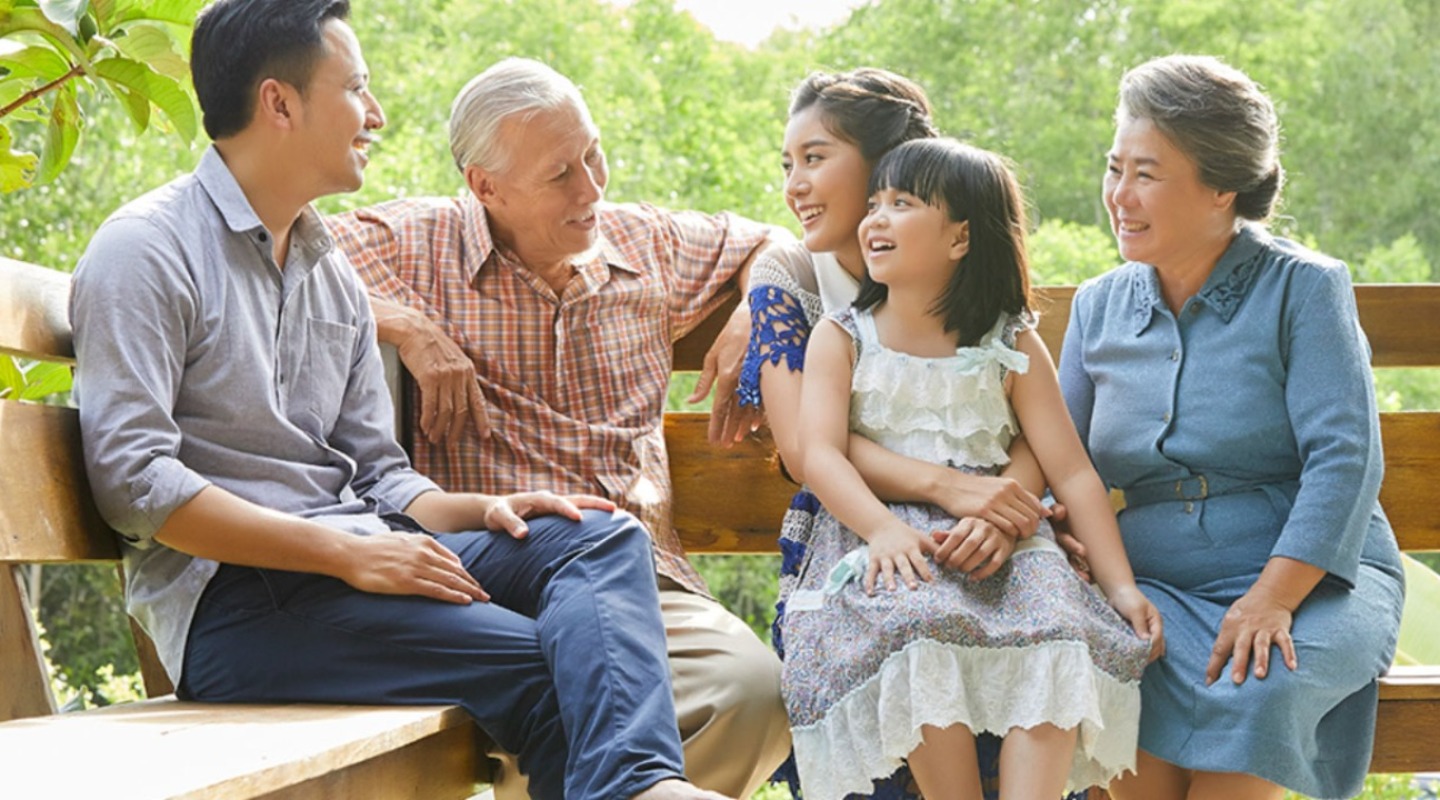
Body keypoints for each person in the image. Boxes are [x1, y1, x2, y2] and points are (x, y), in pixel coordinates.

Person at [69, 4, 732, 799]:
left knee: (595, 534)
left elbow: (379, 477)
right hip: (237, 604)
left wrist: (476, 508)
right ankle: (635, 789)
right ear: (280, 104)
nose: (375, 115)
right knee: (552, 662)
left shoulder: (331, 276)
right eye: (356, 88)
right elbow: (135, 486)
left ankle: (635, 788)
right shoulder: (146, 250)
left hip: (356, 561)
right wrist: (348, 553)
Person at [325, 57, 790, 798]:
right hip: (483, 583)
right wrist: (403, 322)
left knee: (752, 691)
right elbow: (275, 255)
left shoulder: (648, 244)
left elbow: (777, 241)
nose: (593, 188)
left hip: (640, 581)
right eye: (561, 173)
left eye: (593, 153)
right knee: (562, 692)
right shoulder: (413, 243)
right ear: (486, 186)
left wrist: (757, 311)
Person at [1060, 55, 1405, 800]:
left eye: (1146, 174)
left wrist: (1274, 596)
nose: (1119, 195)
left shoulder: (1305, 288)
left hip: (1310, 581)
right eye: (1114, 167)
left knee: (1258, 686)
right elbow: (1064, 465)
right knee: (1106, 671)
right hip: (1149, 586)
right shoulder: (1097, 306)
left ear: (1223, 187)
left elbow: (1345, 459)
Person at [739, 68, 1081, 800]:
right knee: (906, 638)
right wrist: (957, 489)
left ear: (884, 164)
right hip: (862, 536)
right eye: (787, 164)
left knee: (1047, 639)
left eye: (816, 157)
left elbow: (1018, 413)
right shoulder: (794, 276)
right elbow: (806, 449)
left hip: (992, 538)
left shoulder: (956, 258)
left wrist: (1007, 514)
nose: (795, 183)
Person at [785, 137, 1162, 800]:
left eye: (901, 203)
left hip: (1004, 539)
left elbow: (1070, 470)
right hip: (889, 535)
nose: (875, 218)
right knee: (917, 623)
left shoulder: (1010, 339)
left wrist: (1122, 587)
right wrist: (881, 530)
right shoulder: (843, 335)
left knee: (1060, 627)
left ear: (960, 239)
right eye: (875, 202)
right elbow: (820, 453)